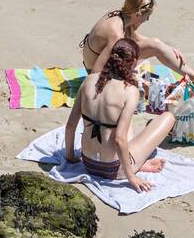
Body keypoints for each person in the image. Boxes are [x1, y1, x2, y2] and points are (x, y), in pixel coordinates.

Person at [62, 38, 174, 193]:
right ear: (134, 61)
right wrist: (131, 177)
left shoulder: (89, 80)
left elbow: (70, 126)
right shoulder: (130, 91)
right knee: (168, 117)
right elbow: (119, 139)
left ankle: (137, 164)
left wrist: (70, 157)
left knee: (119, 125)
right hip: (114, 169)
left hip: (88, 162)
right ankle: (137, 165)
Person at [78, 0, 194, 79]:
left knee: (155, 46)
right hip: (97, 71)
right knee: (154, 48)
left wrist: (168, 48)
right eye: (147, 17)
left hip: (96, 62)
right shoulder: (115, 34)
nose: (147, 20)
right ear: (138, 14)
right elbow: (96, 72)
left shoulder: (119, 14)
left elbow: (137, 38)